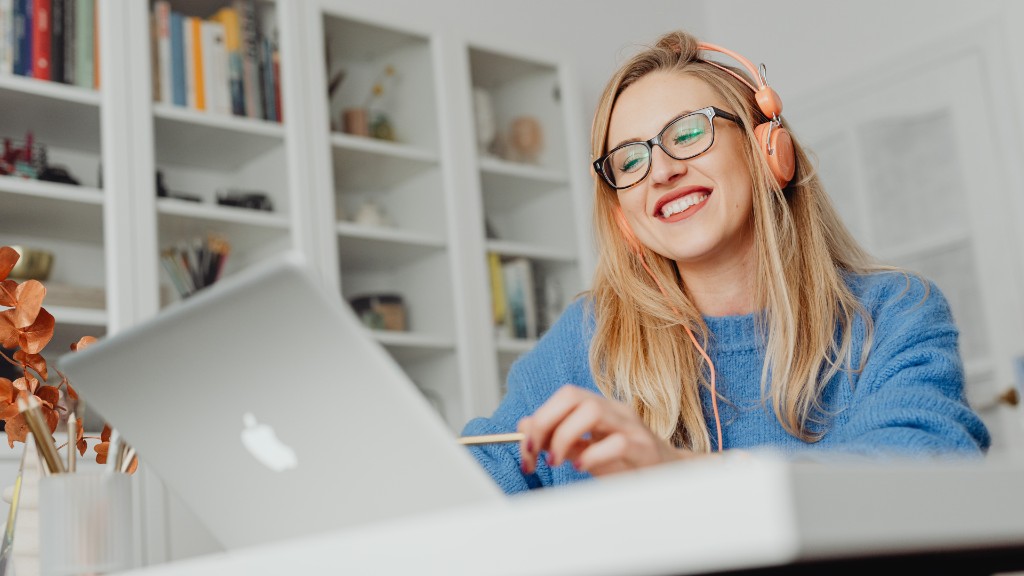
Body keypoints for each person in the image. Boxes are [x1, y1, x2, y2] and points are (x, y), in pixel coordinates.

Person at [461, 30, 990, 495]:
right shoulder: (586, 341)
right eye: (630, 161)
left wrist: (678, 473)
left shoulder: (892, 314)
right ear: (624, 214)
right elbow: (472, 480)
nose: (660, 171)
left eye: (688, 133)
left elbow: (927, 471)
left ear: (768, 151)